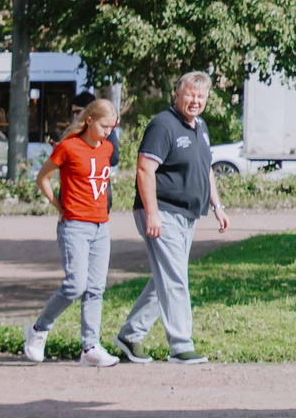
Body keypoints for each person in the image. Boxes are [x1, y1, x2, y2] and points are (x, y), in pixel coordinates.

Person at [113, 72, 230, 365]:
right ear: (177, 95)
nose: (195, 101)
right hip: (162, 211)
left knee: (165, 278)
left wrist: (217, 205)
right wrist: (152, 213)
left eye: (201, 96)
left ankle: (130, 335)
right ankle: (180, 345)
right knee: (176, 278)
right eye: (190, 95)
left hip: (188, 214)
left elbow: (206, 169)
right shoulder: (162, 125)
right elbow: (144, 170)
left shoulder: (200, 126)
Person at [22, 98, 123, 367]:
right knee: (75, 285)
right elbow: (42, 177)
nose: (108, 132)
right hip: (75, 225)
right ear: (89, 120)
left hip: (101, 226)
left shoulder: (107, 148)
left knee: (95, 289)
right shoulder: (68, 147)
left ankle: (90, 347)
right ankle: (38, 330)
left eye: (112, 127)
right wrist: (57, 204)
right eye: (104, 126)